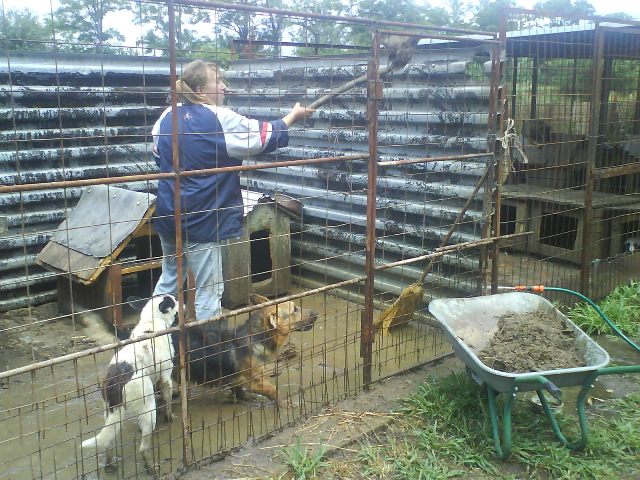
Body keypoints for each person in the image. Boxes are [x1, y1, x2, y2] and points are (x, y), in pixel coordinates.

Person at [151, 59, 313, 321]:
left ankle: (152, 333)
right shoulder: (219, 117)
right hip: (202, 217)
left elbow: (159, 158)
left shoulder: (166, 117)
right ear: (201, 90)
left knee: (170, 277)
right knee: (209, 289)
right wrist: (293, 116)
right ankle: (208, 343)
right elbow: (263, 136)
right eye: (218, 81)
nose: (224, 86)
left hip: (169, 212)